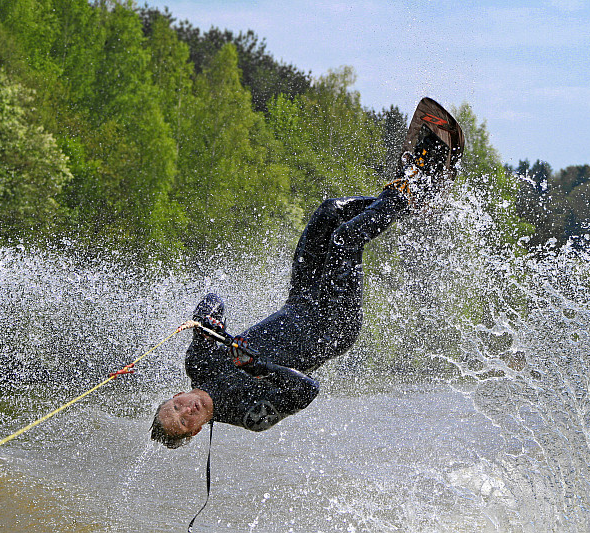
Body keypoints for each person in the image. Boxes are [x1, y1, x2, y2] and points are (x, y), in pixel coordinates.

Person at [151, 99, 463, 449]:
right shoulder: (249, 414)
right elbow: (307, 390)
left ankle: (411, 196)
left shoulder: (199, 362)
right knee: (346, 239)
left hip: (300, 301)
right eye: (185, 419)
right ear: (195, 431)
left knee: (330, 213)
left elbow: (212, 300)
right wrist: (258, 369)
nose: (188, 409)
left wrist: (209, 319)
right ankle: (424, 172)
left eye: (177, 405)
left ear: (177, 394)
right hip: (331, 327)